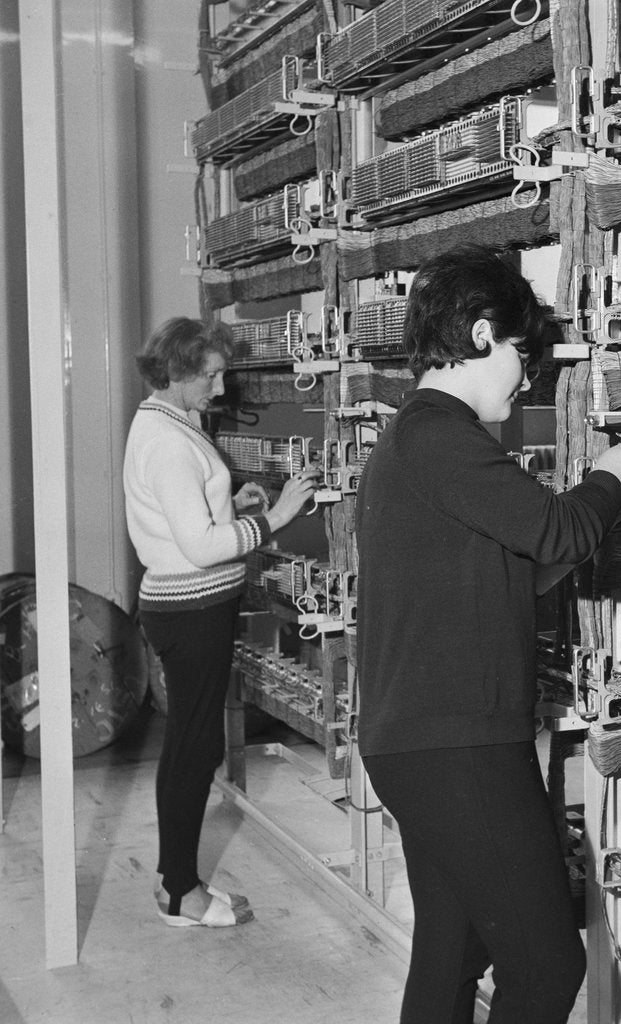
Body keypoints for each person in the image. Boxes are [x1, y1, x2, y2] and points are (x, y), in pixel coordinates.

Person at [354, 246, 621, 1024]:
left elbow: (501, 574)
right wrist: (620, 464)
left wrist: (556, 550)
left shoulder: (410, 442)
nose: (525, 380)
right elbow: (559, 531)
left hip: (418, 741)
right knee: (550, 964)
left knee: (454, 952)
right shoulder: (440, 435)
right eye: (521, 357)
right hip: (456, 744)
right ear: (483, 334)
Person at [123, 317, 319, 928]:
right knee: (193, 747)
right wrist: (275, 518)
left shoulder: (166, 423)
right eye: (210, 374)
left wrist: (225, 503)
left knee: (191, 742)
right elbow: (203, 547)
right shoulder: (168, 441)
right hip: (192, 609)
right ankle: (179, 892)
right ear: (177, 373)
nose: (221, 385)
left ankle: (176, 880)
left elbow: (182, 517)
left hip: (190, 605)